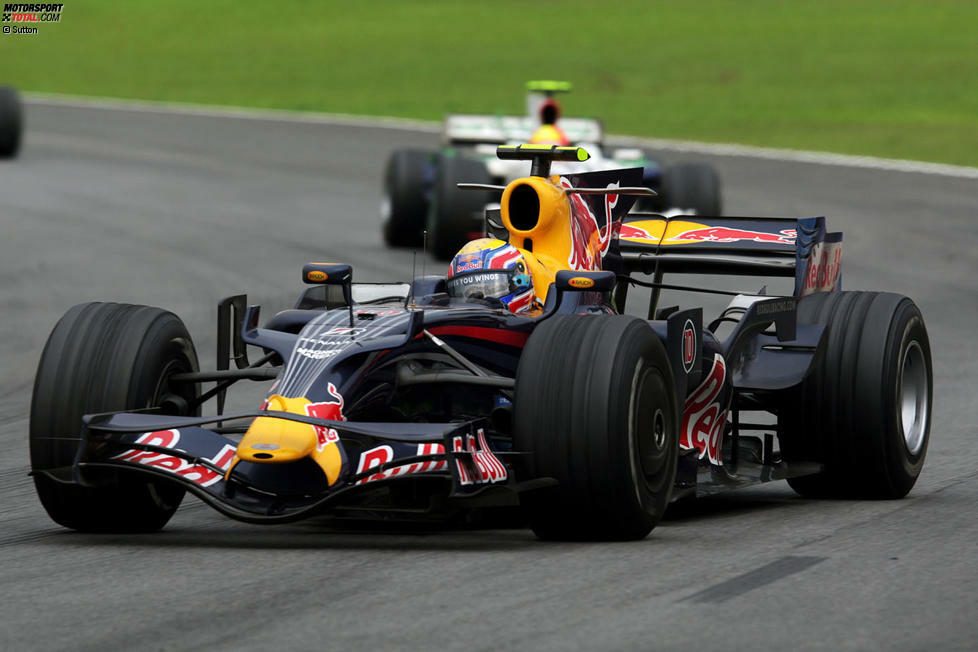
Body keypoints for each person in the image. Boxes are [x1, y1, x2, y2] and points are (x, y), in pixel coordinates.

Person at [446, 238, 537, 314]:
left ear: (520, 281)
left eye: (490, 289)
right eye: (464, 294)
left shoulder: (545, 329)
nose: (476, 304)